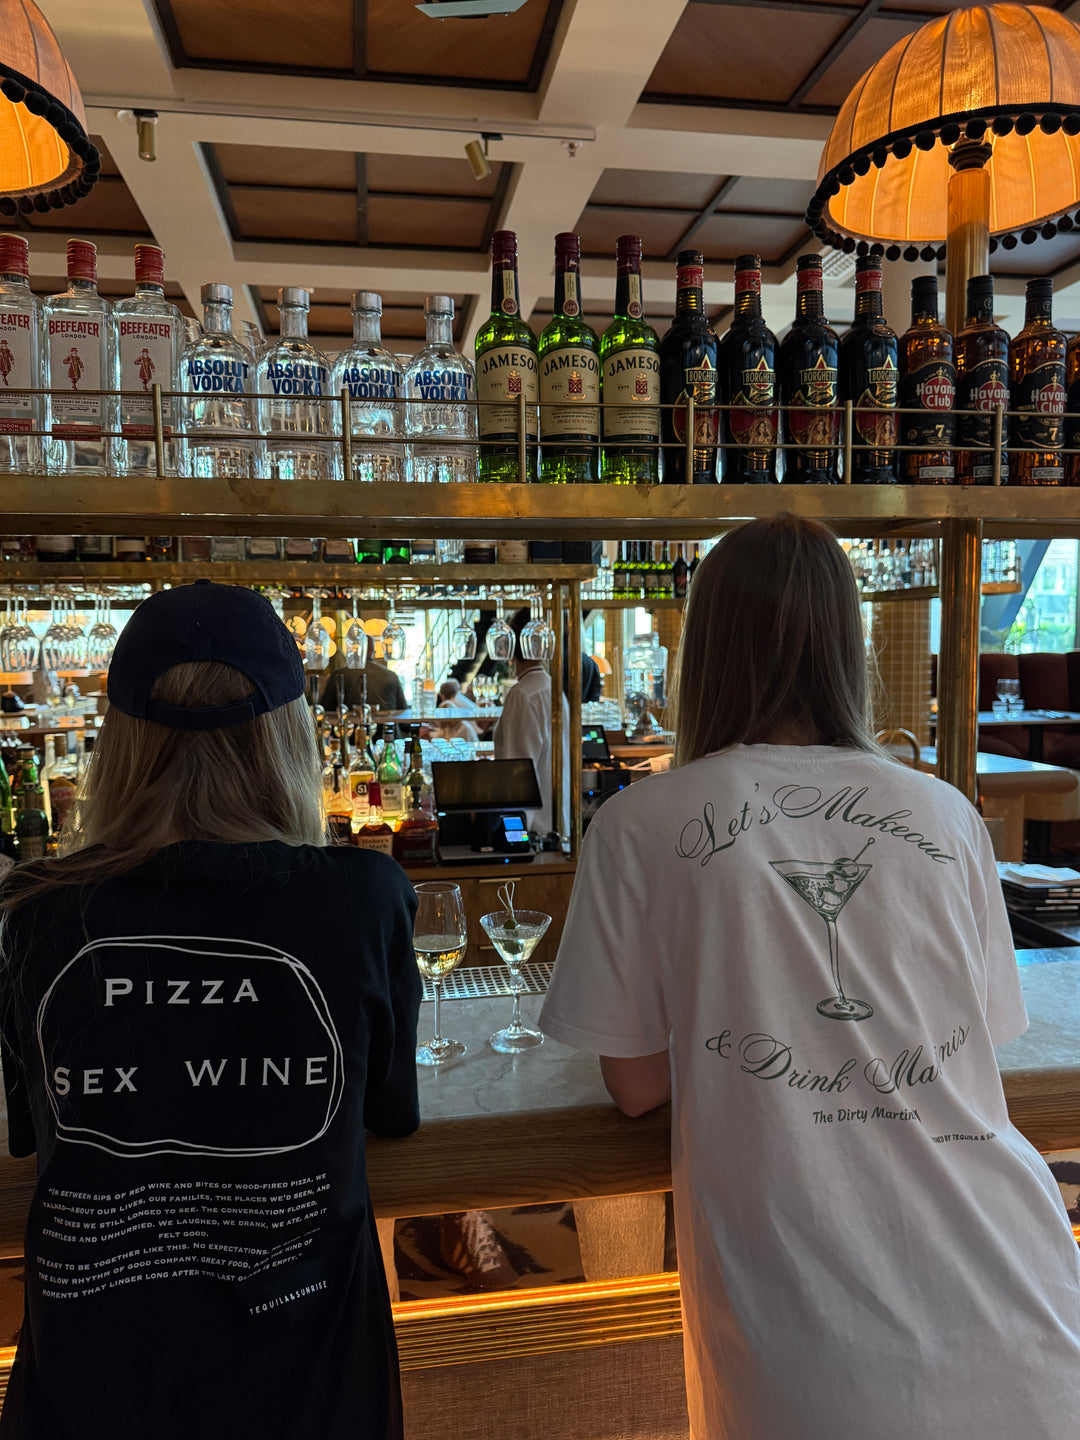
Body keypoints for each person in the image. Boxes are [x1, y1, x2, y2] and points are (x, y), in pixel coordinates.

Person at [540, 516, 1080, 1440]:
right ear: (850, 641)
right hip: (1024, 1302)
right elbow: (971, 1039)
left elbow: (633, 1086)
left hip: (811, 1341)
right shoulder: (948, 815)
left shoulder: (638, 824)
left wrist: (739, 1011)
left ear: (703, 649)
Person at [0, 580, 421, 1440]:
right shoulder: (362, 897)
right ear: (290, 737)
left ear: (118, 745)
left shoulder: (36, 911)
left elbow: (33, 1131)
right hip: (309, 1391)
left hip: (87, 1394)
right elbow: (391, 1113)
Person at [494, 609, 570, 838]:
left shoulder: (523, 695)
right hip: (556, 823)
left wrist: (515, 835)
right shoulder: (552, 689)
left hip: (534, 830)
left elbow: (517, 773)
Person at [320, 636, 407, 713]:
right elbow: (402, 710)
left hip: (349, 729)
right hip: (388, 729)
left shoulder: (339, 674)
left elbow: (326, 708)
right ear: (374, 651)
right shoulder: (391, 675)